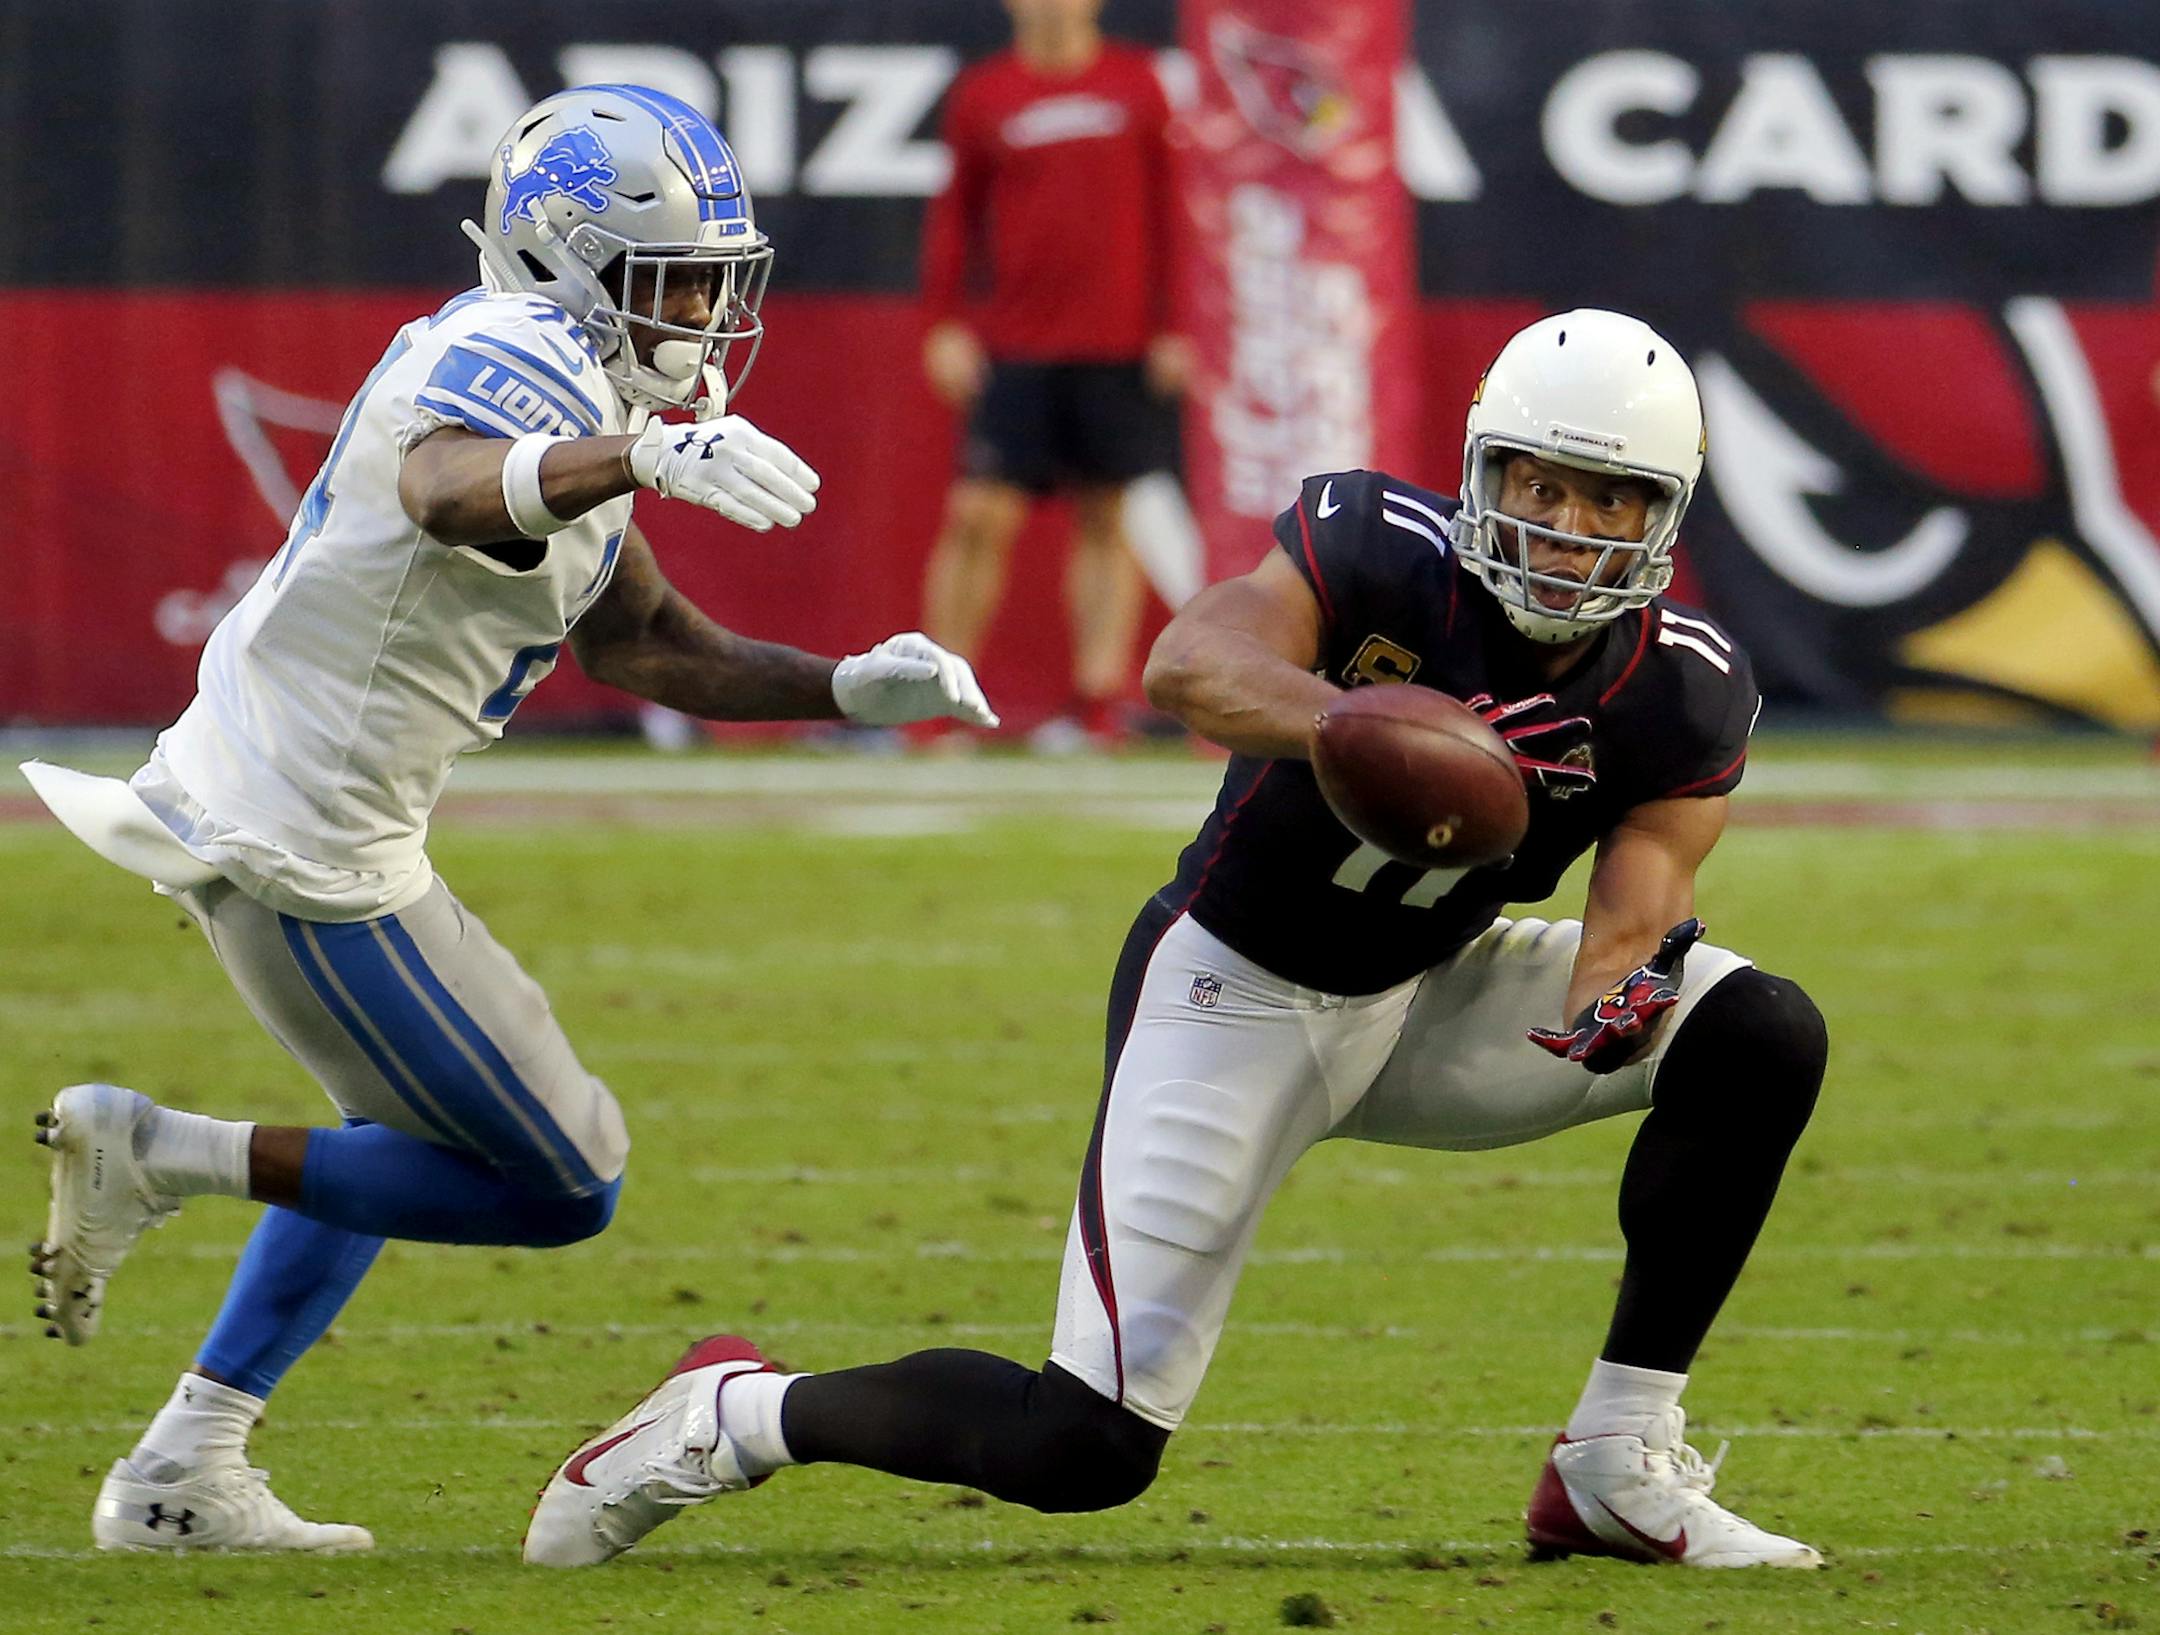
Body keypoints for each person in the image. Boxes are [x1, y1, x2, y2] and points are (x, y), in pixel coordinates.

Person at [524, 310, 1830, 1572]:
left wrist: (1613, 1001)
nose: (1567, 526)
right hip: (1233, 991)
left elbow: (1632, 914)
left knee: (1758, 1032)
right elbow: (1190, 664)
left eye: (1610, 499)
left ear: (1666, 516)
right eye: (1541, 484)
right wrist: (1368, 726)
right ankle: (735, 1414)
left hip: (1429, 994)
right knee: (1082, 1442)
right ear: (1484, 470)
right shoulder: (1381, 549)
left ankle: (1613, 1459)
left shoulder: (1682, 681)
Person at [24, 84, 995, 1555]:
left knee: (393, 1135)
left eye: (716, 282)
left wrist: (850, 687)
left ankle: (184, 1469)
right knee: (563, 1178)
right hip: (307, 846)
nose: (706, 315)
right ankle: (158, 1154)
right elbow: (446, 491)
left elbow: (644, 642)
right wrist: (637, 459)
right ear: (567, 259)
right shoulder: (516, 347)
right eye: (674, 280)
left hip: (305, 815)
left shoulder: (584, 386)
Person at [912, 0, 1189, 751]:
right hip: (1017, 343)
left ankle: (1097, 703)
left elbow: (1174, 206)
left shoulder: (1137, 83)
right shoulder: (986, 93)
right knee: (978, 515)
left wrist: (1177, 325)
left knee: (1106, 516)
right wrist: (944, 321)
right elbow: (956, 216)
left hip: (1119, 344)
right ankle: (939, 696)